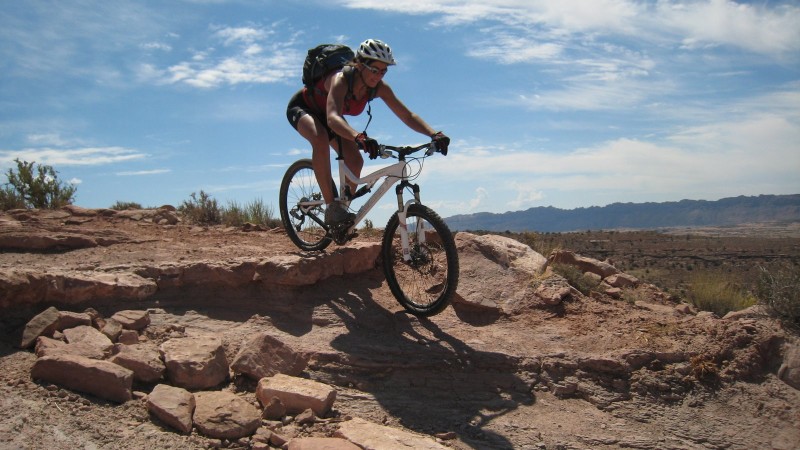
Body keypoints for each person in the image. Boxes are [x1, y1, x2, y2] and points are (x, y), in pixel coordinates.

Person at [287, 39, 450, 226]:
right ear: (360, 64)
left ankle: (340, 217)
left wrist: (434, 134)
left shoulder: (379, 88)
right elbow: (332, 118)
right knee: (320, 138)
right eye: (375, 70)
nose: (378, 76)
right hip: (305, 107)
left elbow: (407, 115)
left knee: (356, 160)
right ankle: (332, 207)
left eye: (384, 71)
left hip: (331, 117)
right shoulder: (340, 80)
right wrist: (358, 137)